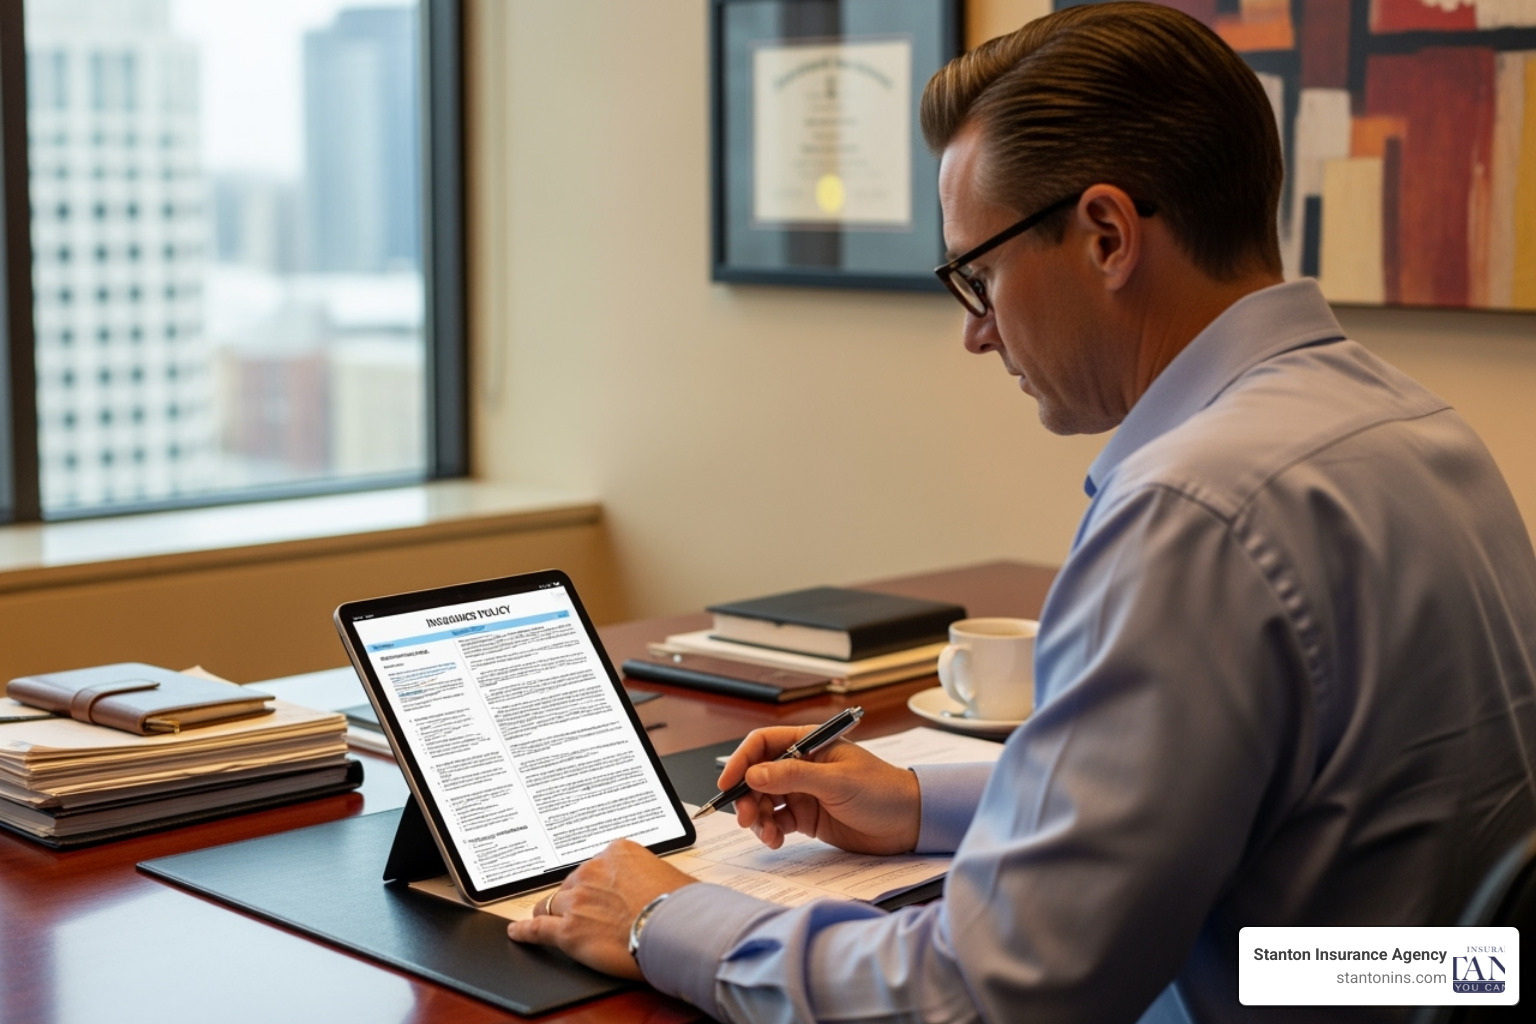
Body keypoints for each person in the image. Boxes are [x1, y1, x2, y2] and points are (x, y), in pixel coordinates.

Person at [508, 4, 1536, 1021]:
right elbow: (1250, 809)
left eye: (981, 274)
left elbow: (995, 991)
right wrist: (921, 803)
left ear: (1103, 235)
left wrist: (667, 921)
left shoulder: (1192, 509)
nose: (979, 333)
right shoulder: (1419, 431)